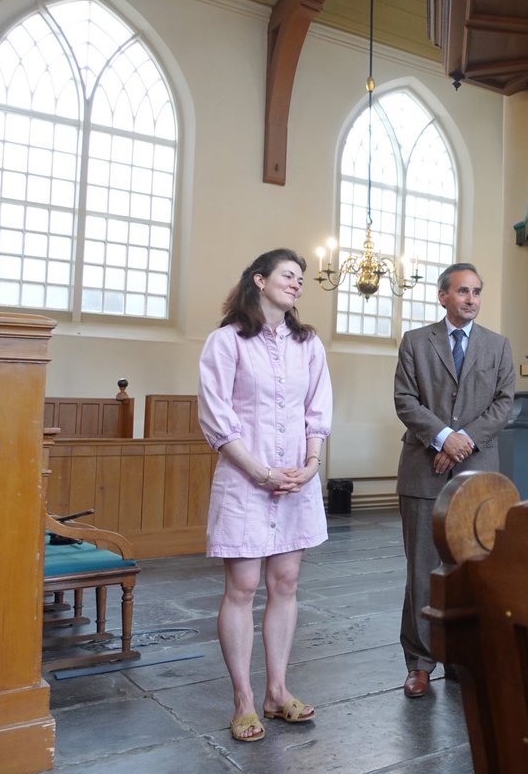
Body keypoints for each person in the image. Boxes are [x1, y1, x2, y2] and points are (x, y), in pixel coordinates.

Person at [197, 248, 332, 742]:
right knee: (242, 586)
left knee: (287, 581)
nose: (297, 284)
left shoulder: (307, 344)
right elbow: (217, 417)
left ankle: (276, 691)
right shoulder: (226, 341)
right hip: (244, 479)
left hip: (296, 480)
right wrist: (260, 472)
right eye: (288, 275)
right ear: (259, 280)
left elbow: (317, 409)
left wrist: (312, 465)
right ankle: (244, 700)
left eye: (301, 279)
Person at [393, 262, 515, 697]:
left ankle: (462, 656)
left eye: (477, 292)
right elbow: (404, 400)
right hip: (423, 472)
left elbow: (503, 404)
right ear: (443, 296)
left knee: (472, 567)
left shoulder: (498, 346)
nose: (471, 299)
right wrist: (442, 438)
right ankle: (420, 663)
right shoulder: (415, 343)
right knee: (423, 570)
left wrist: (463, 441)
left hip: (477, 476)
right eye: (463, 291)